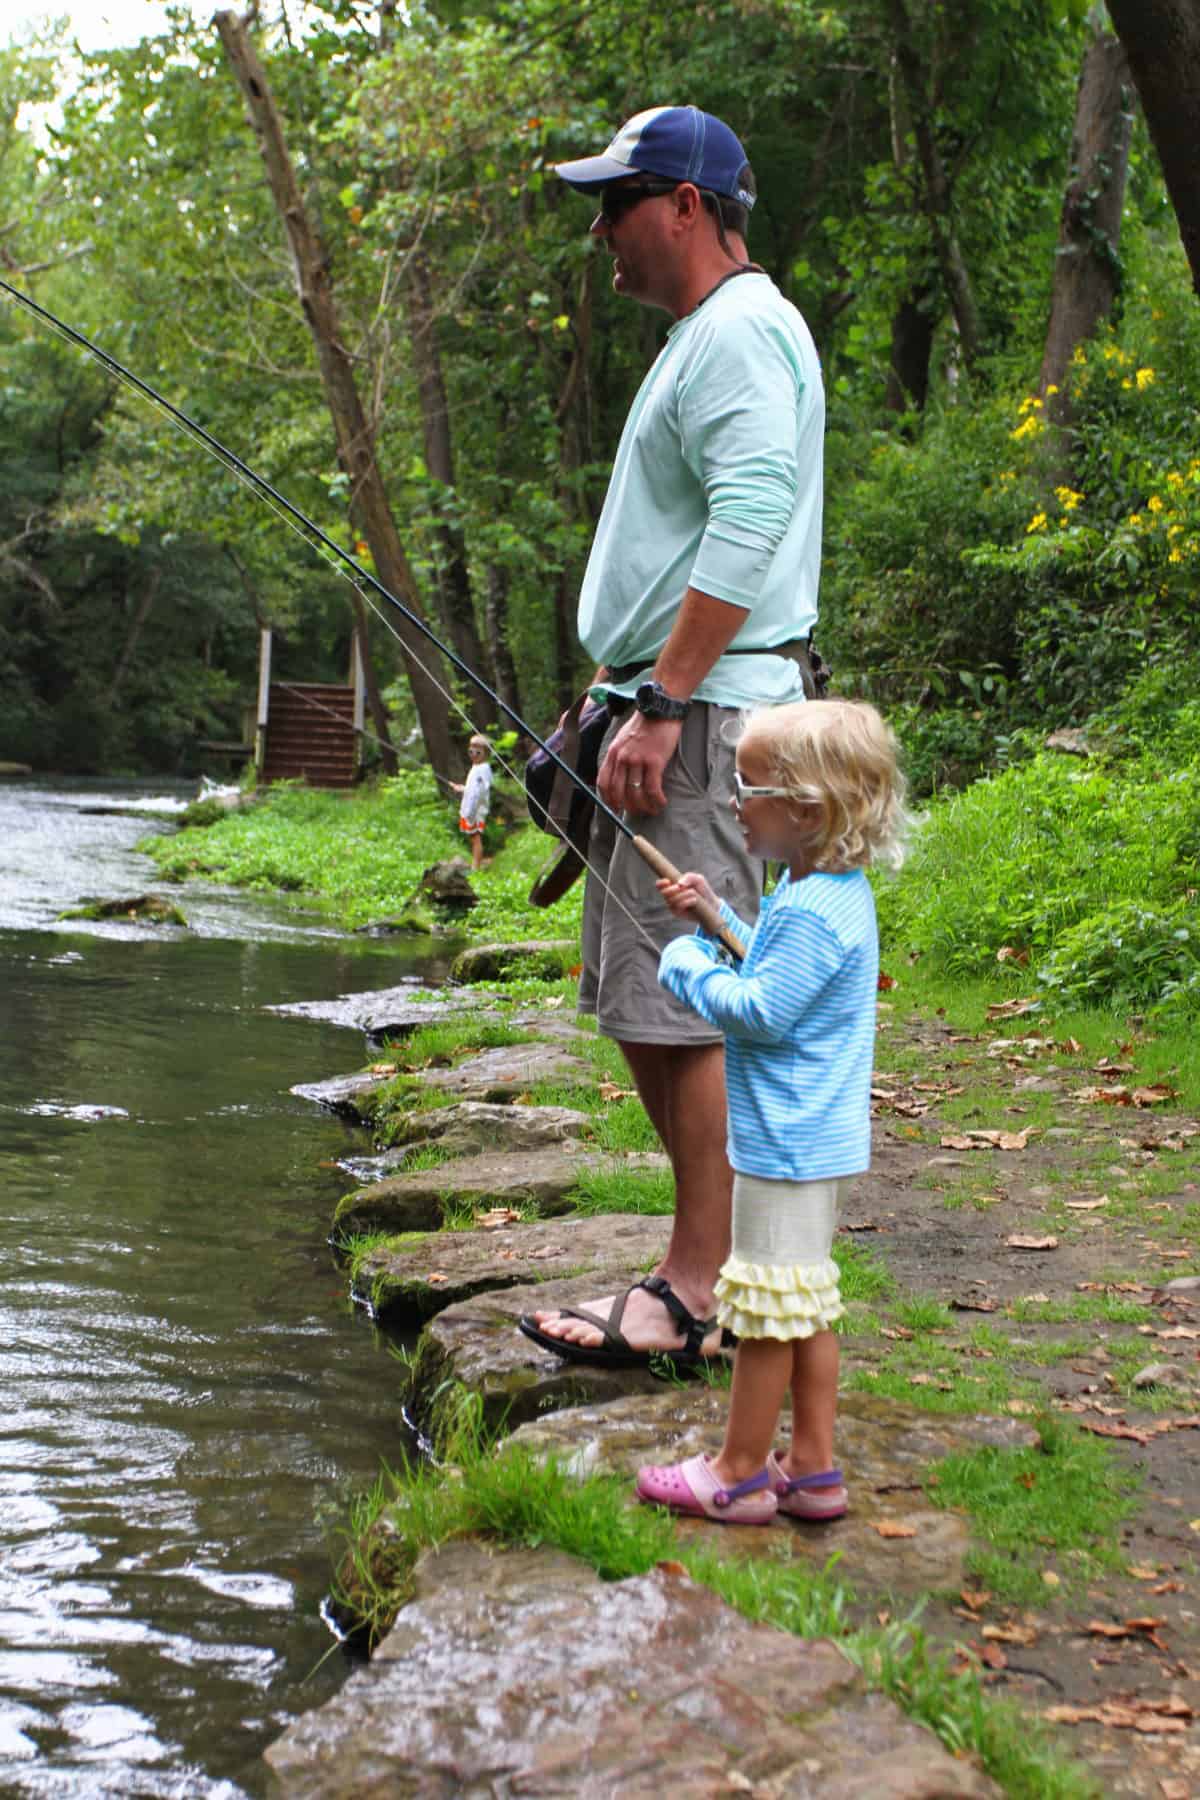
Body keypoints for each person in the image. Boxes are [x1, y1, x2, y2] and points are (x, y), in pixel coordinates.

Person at [519, 105, 825, 1366]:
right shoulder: (713, 336)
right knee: (654, 1002)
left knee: (684, 1007)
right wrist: (611, 687)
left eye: (619, 202)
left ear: (689, 205)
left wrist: (662, 699)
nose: (601, 231)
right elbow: (691, 539)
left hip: (698, 720)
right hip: (668, 703)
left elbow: (749, 520)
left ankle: (699, 1288)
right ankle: (704, 1268)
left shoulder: (742, 331)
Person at [635, 699, 907, 1522]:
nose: (730, 803)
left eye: (745, 788)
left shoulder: (813, 912)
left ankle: (739, 1472)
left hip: (785, 1143)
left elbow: (758, 1010)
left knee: (761, 1315)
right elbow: (778, 968)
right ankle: (815, 1468)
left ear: (806, 809)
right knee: (805, 1302)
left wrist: (684, 962)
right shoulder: (825, 892)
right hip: (814, 1140)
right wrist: (716, 921)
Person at [451, 733, 492, 870]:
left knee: (476, 837)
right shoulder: (477, 767)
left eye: (478, 751)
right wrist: (462, 788)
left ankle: (476, 867)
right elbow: (472, 789)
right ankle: (476, 864)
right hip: (471, 809)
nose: (473, 754)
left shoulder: (482, 769)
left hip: (475, 810)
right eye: (471, 750)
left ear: (485, 753)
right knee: (473, 837)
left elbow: (478, 793)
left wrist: (470, 812)